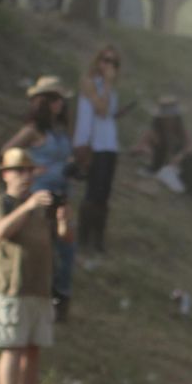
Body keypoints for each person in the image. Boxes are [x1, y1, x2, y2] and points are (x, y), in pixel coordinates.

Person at [0, 149, 68, 384]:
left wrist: (64, 220)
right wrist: (28, 206)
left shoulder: (40, 209)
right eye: (19, 171)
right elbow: (0, 230)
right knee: (12, 347)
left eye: (29, 171)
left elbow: (62, 239)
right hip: (11, 287)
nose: (25, 177)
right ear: (6, 174)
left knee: (33, 349)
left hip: (40, 288)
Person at [5, 76, 76, 322]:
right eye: (54, 99)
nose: (60, 104)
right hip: (39, 194)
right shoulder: (31, 131)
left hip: (61, 193)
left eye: (61, 99)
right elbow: (8, 153)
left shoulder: (60, 132)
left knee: (65, 247)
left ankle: (59, 297)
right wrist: (31, 169)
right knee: (41, 245)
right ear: (43, 102)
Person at [74, 45, 122, 254]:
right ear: (98, 61)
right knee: (93, 192)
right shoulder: (89, 83)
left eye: (114, 63)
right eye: (106, 60)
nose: (109, 66)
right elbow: (100, 110)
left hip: (109, 144)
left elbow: (108, 114)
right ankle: (84, 238)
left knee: (104, 194)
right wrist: (108, 83)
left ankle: (98, 239)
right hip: (94, 145)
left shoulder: (109, 88)